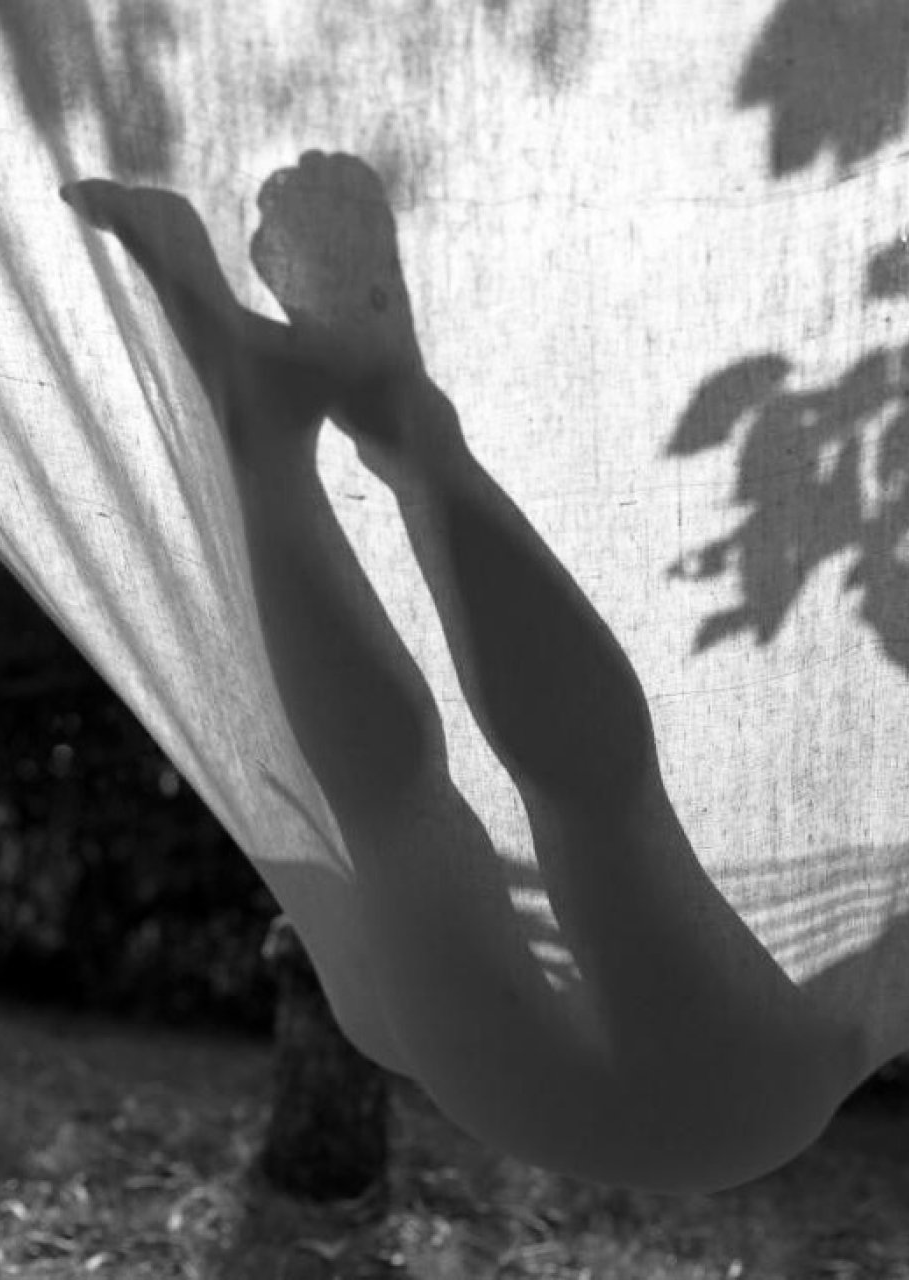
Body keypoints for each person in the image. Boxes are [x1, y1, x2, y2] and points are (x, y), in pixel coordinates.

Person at [61, 151, 862, 1192]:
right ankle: (320, 435)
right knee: (440, 825)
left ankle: (366, 425)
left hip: (671, 1080)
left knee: (505, 822)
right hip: (661, 1083)